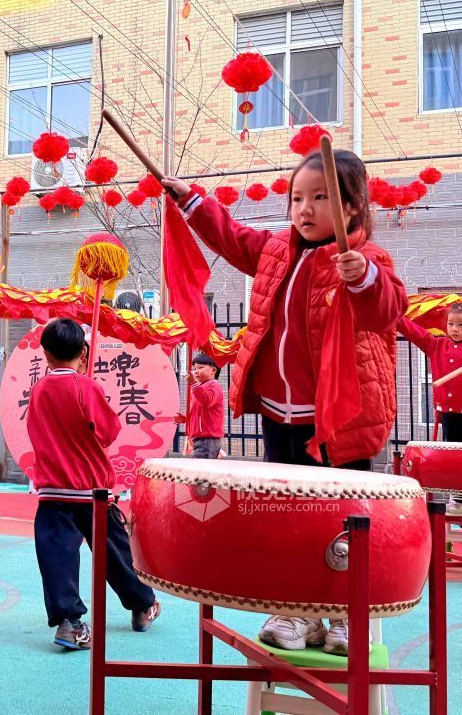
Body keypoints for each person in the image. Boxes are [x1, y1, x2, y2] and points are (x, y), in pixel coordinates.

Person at [163, 148, 407, 656]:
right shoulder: (276, 250)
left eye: (321, 198)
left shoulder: (366, 262)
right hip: (280, 414)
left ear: (354, 208)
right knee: (289, 515)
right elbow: (233, 238)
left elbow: (388, 310)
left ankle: (341, 613)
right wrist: (193, 202)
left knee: (342, 521)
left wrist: (361, 276)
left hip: (340, 417)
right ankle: (293, 610)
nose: (305, 208)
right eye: (298, 197)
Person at [26, 319, 159, 651]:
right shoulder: (86, 387)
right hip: (91, 489)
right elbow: (108, 433)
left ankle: (69, 623)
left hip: (53, 489)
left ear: (45, 353)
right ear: (83, 352)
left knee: (56, 557)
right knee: (115, 553)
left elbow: (35, 432)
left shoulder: (39, 390)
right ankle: (142, 605)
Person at [398, 304, 462, 442]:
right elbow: (414, 332)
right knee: (452, 451)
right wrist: (394, 315)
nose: (455, 329)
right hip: (447, 412)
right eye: (451, 324)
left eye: (461, 325)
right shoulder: (437, 345)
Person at [175, 353, 225, 459]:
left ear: (213, 370)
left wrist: (193, 383)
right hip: (201, 438)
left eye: (200, 367)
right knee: (201, 470)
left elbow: (207, 401)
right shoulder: (200, 387)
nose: (195, 371)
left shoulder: (213, 385)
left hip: (207, 438)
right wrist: (185, 419)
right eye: (195, 368)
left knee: (199, 470)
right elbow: (198, 414)